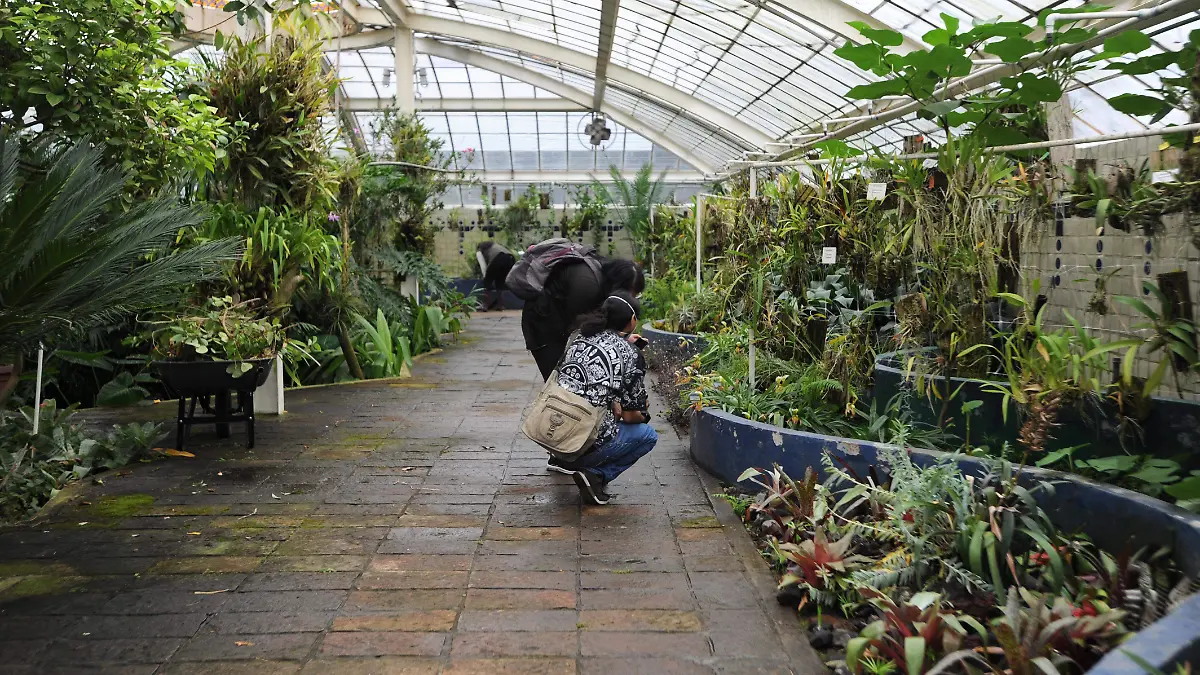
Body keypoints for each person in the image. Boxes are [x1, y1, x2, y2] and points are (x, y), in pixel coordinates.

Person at [549, 292, 656, 505]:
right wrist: (644, 415)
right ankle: (595, 474)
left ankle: (568, 461)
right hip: (582, 441)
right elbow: (630, 416)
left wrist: (624, 340)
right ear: (632, 320)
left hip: (552, 431)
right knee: (647, 435)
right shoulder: (630, 354)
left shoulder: (578, 336)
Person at [521, 256, 645, 380]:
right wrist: (619, 342)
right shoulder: (588, 287)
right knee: (559, 379)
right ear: (618, 285)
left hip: (562, 318)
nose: (629, 299)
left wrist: (622, 338)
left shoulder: (602, 280)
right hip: (543, 323)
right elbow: (583, 333)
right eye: (630, 294)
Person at [476, 241, 516, 311]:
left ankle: (485, 305)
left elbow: (483, 265)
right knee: (500, 282)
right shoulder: (496, 246)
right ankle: (500, 305)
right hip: (510, 258)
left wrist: (486, 277)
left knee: (487, 283)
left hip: (498, 258)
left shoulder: (480, 250)